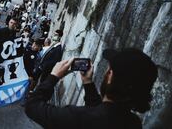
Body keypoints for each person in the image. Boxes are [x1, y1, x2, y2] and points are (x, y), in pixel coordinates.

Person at [25, 48, 158, 129]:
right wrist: (88, 83)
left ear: (110, 76)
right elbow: (102, 113)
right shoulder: (133, 124)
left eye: (109, 69)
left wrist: (54, 76)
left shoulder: (77, 118)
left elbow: (32, 106)